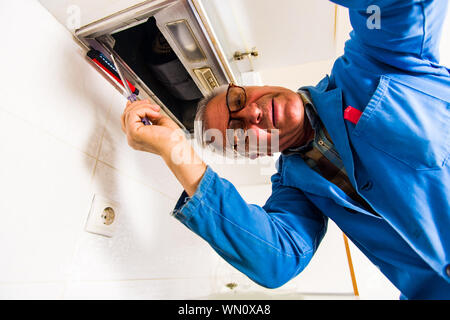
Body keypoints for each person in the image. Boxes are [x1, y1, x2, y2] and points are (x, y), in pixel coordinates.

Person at [121, 0, 450, 299]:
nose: (251, 113)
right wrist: (175, 149)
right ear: (255, 155)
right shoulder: (297, 187)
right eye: (239, 132)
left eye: (239, 99)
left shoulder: (369, 64)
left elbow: (400, 7)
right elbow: (276, 260)